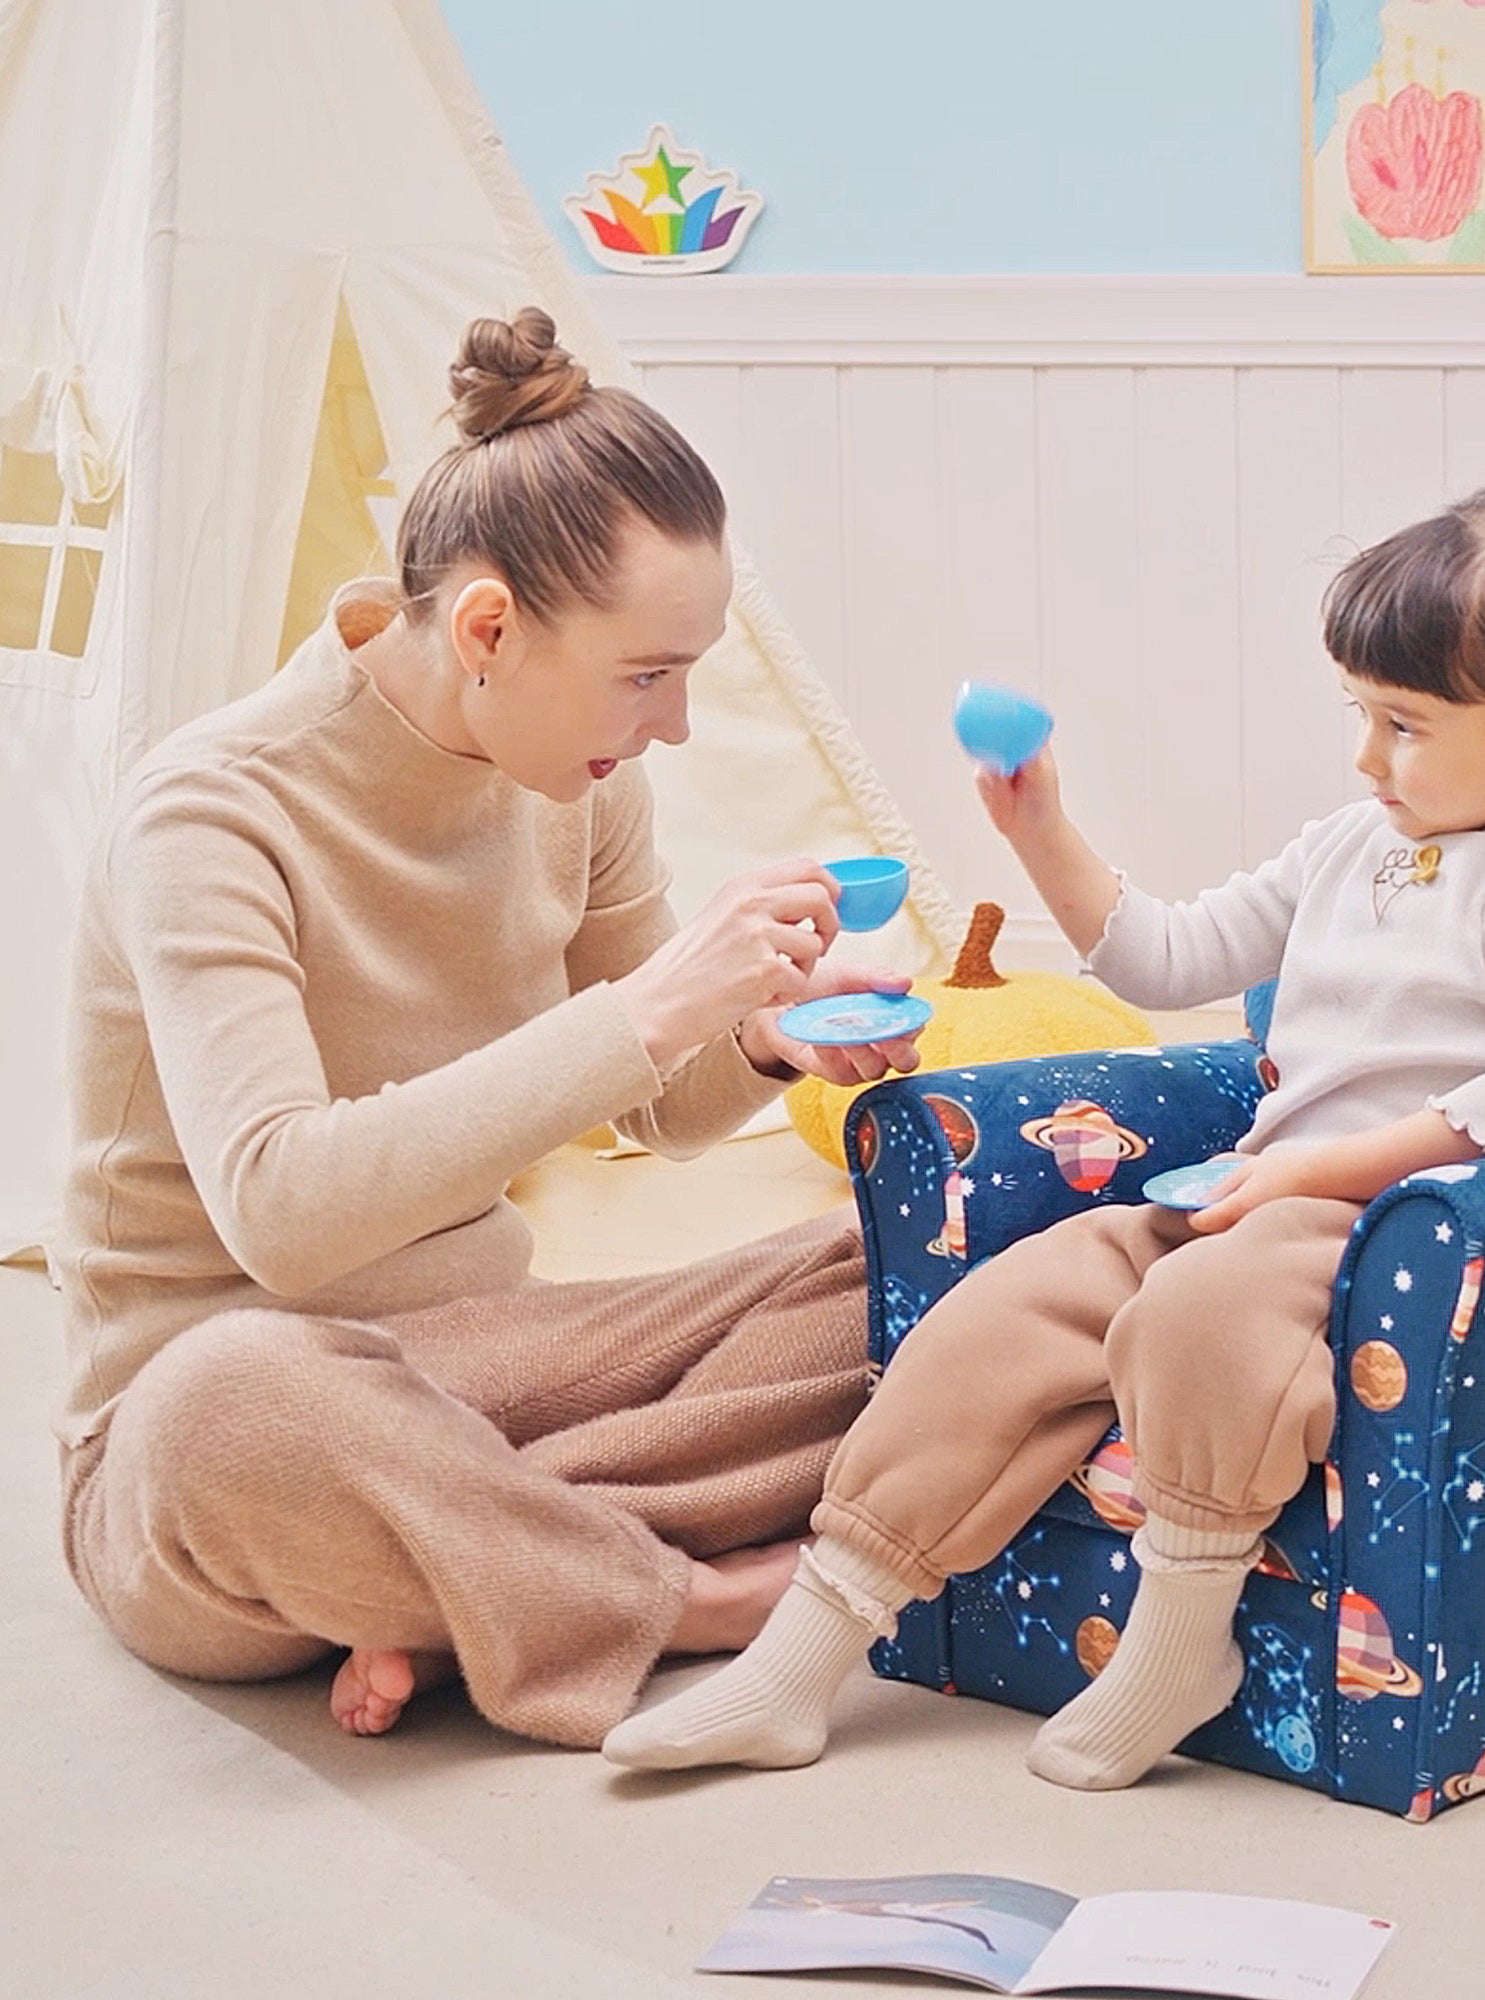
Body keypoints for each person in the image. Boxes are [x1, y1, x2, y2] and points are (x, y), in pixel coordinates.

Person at [602, 483, 1485, 1791]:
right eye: (1363, 714)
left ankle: (1179, 1641)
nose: (1367, 757)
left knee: (1204, 1321)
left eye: (1404, 725)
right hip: (1251, 1191)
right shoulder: (1350, 845)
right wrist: (1037, 830)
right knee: (1002, 1313)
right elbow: (1163, 955)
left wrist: (1308, 1170)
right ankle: (798, 1663)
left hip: (1413, 1225)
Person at [53, 307, 926, 1748]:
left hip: (486, 1372)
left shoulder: (580, 782)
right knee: (230, 1401)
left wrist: (767, 1036)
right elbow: (283, 1216)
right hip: (216, 1433)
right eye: (648, 674)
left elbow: (661, 1103)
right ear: (486, 630)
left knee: (901, 1261)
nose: (676, 726)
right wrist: (652, 1004)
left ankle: (467, 1580)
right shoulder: (210, 813)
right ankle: (679, 1596)